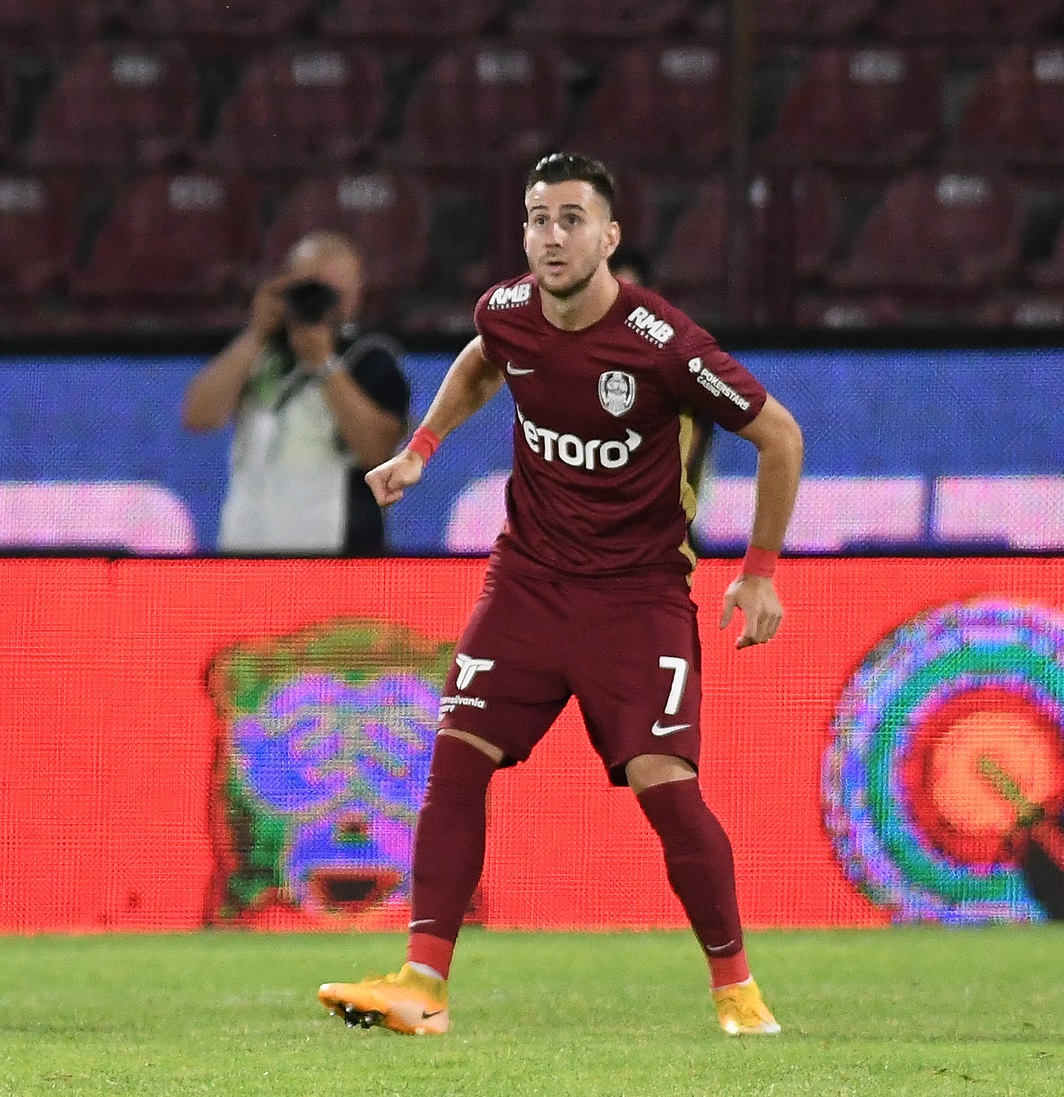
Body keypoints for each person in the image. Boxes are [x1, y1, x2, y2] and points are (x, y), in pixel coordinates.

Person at [316, 152, 804, 1040]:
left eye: (570, 219)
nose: (550, 236)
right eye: (538, 218)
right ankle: (422, 983)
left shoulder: (662, 344)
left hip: (637, 596)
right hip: (527, 584)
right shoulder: (505, 313)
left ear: (608, 236)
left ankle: (736, 989)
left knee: (666, 786)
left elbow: (779, 434)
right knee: (455, 755)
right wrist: (420, 450)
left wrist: (760, 570)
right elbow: (479, 360)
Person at [180, 231, 410, 554]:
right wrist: (257, 333)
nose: (318, 303)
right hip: (247, 550)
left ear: (356, 294)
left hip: (335, 557)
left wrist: (324, 365)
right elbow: (198, 416)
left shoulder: (371, 358)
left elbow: (379, 453)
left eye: (331, 292)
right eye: (308, 289)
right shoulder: (257, 351)